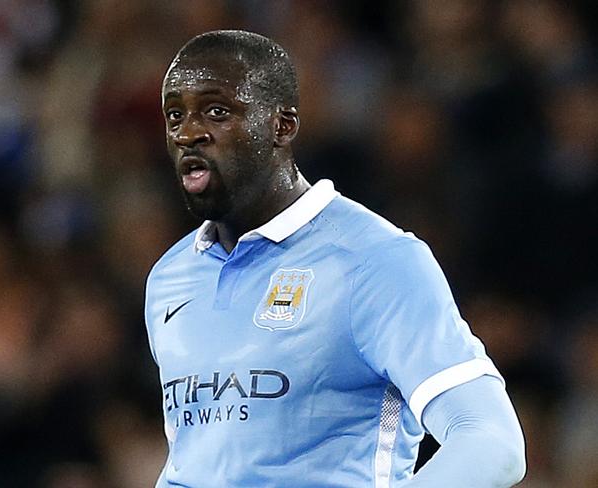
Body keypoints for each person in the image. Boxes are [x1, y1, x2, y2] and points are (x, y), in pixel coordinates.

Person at [144, 30, 526, 488]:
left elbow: (491, 441)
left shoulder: (375, 260)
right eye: (174, 116)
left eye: (217, 111)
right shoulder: (170, 277)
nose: (188, 133)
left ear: (282, 125)